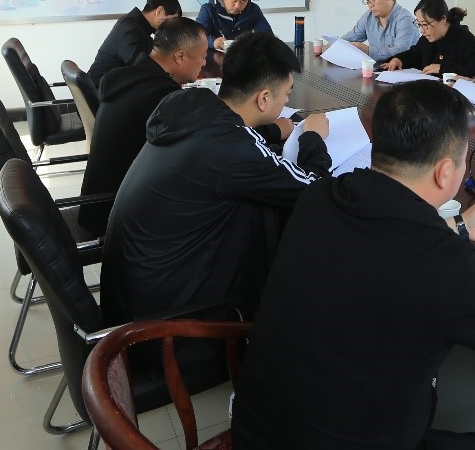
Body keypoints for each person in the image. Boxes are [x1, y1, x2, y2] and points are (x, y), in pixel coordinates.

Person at [231, 80, 475, 450]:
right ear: (445, 173)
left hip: (256, 432)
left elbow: (383, 248)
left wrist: (459, 226)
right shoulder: (448, 266)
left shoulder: (321, 196)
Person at [101, 31, 331, 326]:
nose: (287, 99)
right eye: (286, 94)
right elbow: (314, 189)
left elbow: (225, 146)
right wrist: (312, 138)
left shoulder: (190, 103)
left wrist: (273, 130)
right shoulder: (233, 150)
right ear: (263, 98)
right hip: (169, 326)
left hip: (138, 294)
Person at [78, 17, 298, 236]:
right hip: (116, 213)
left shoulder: (131, 77)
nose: (204, 63)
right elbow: (218, 144)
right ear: (180, 56)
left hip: (104, 203)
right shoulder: (163, 99)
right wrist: (274, 130)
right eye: (202, 56)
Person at [86, 0, 181, 86]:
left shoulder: (137, 25)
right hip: (101, 89)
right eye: (171, 20)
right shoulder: (130, 29)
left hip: (110, 86)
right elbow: (141, 66)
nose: (170, 27)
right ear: (159, 11)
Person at [380, 0, 475, 77]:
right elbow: (415, 54)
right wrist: (400, 59)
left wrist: (443, 68)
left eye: (425, 25)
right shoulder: (428, 37)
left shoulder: (463, 38)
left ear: (443, 19)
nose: (422, 30)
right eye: (419, 24)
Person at [342, 0, 417, 62]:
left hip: (403, 69)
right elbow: (352, 37)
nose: (370, 5)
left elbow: (400, 52)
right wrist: (336, 43)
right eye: (367, 0)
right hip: (377, 68)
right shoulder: (368, 16)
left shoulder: (405, 19)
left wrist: (368, 50)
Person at [195, 0, 273, 50]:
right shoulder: (208, 9)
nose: (237, 6)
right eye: (234, 0)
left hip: (241, 54)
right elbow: (196, 36)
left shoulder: (253, 9)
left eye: (243, 1)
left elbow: (266, 34)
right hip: (214, 54)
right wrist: (213, 42)